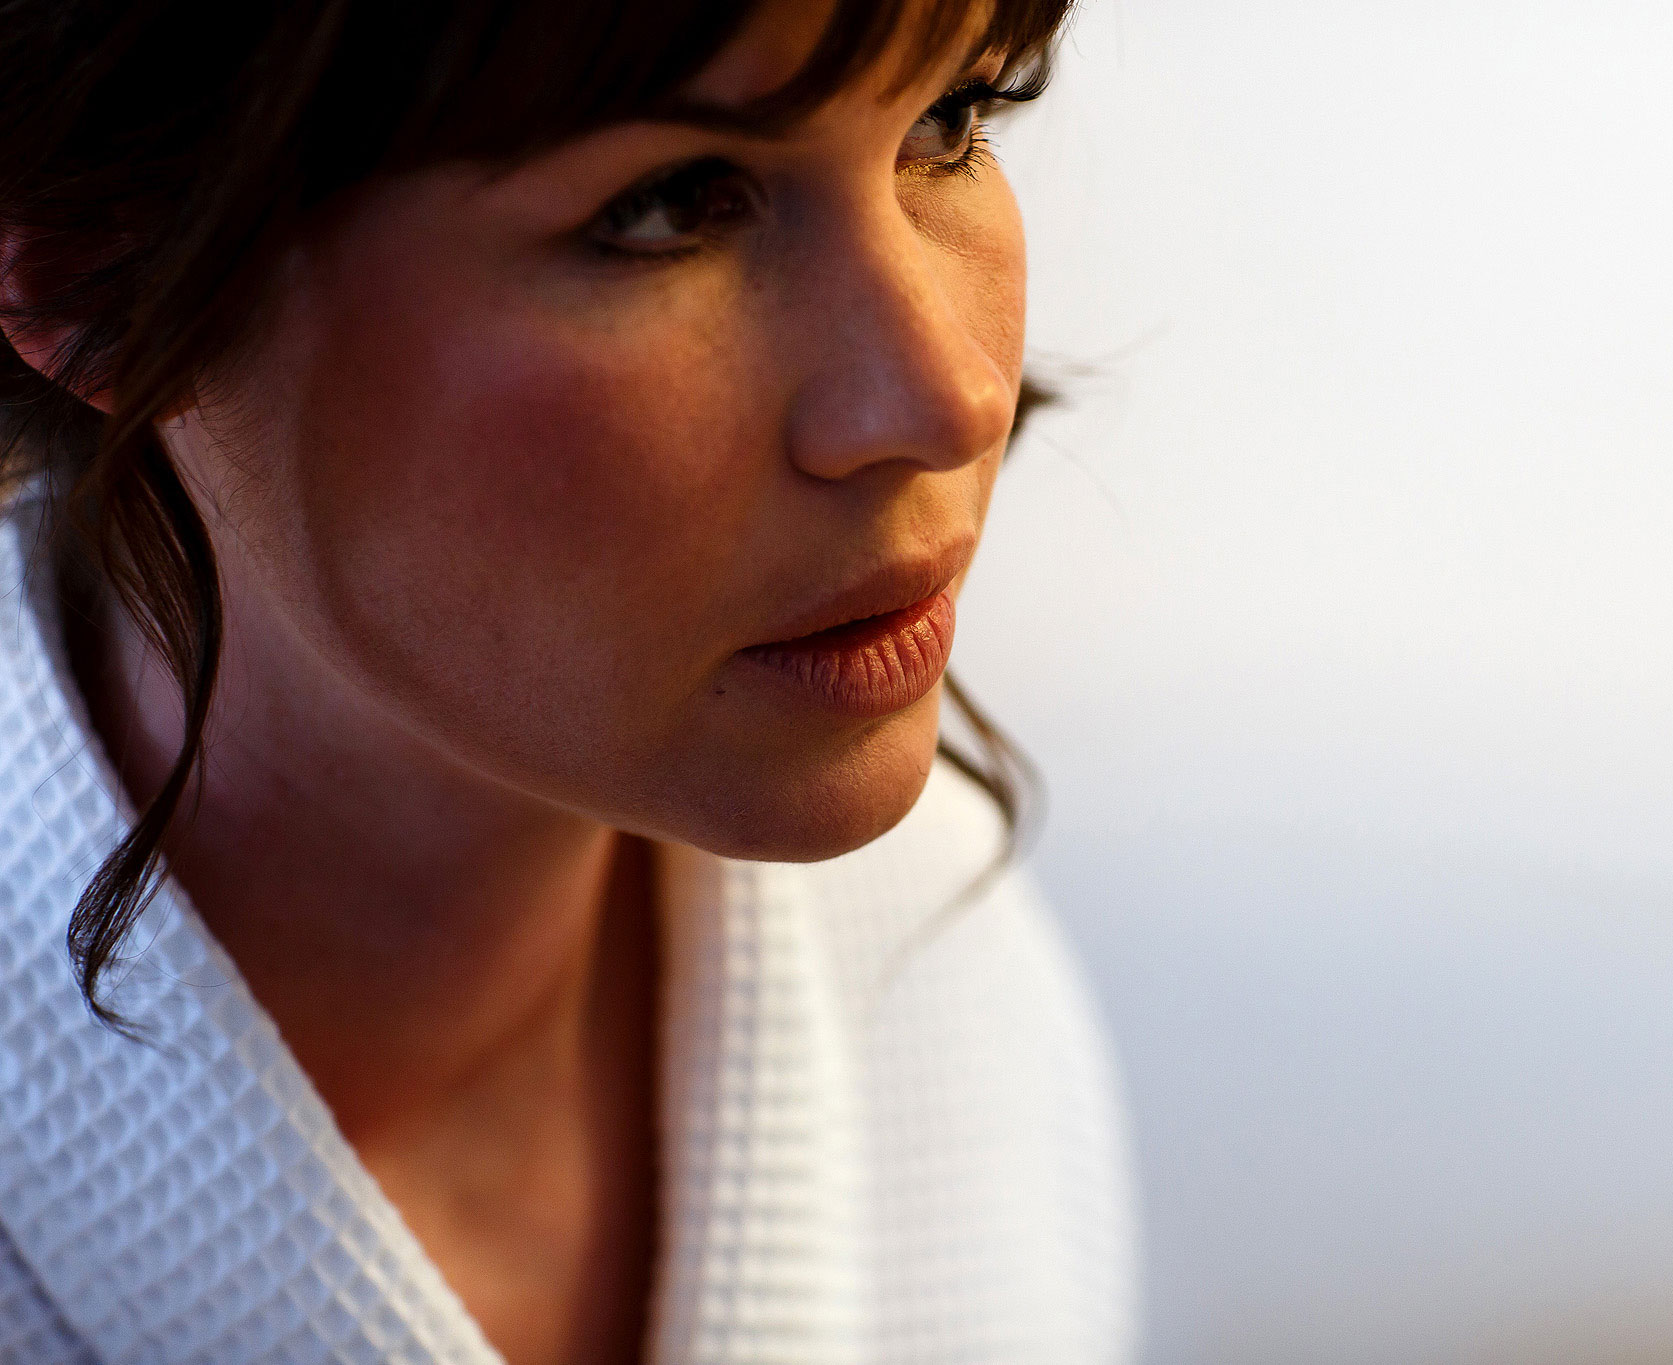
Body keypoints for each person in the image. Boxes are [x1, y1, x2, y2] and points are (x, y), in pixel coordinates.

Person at [0, 1, 1135, 1362]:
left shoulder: (937, 968)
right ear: (93, 270)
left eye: (951, 119)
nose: (946, 396)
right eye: (668, 206)